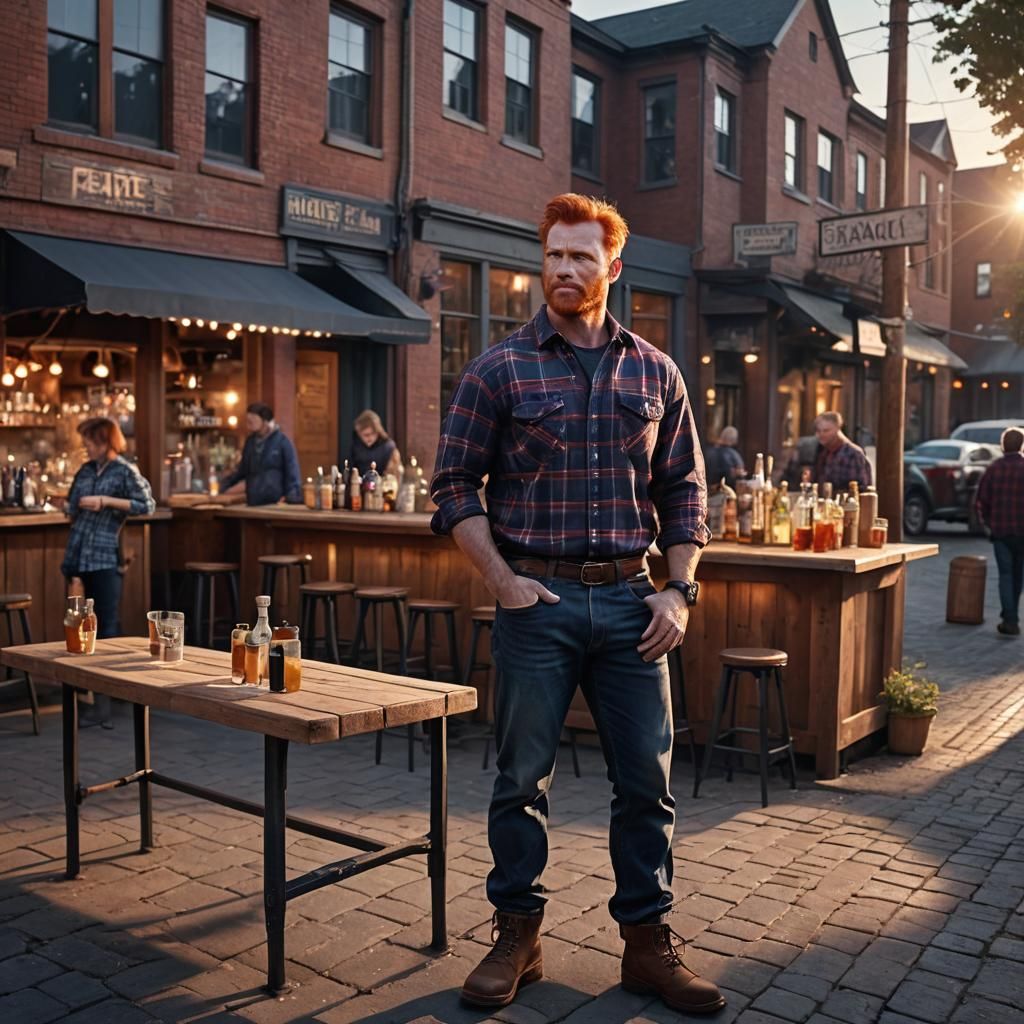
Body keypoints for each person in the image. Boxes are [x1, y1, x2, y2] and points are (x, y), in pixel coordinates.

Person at [431, 193, 724, 1016]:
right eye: (554, 255)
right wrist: (503, 583)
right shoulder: (498, 368)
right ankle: (517, 938)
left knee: (648, 785)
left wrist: (678, 590)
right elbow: (453, 486)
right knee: (519, 778)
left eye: (581, 257)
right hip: (537, 602)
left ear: (612, 269)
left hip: (636, 603)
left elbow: (686, 493)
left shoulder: (656, 372)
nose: (564, 269)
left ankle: (646, 946)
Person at [63, 417, 155, 728]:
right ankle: (85, 697)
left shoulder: (124, 470)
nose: (85, 445)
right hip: (78, 556)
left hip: (105, 556)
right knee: (77, 627)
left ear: (105, 440)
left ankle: (105, 703)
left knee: (107, 627)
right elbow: (71, 506)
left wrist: (106, 501)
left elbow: (147, 505)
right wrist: (66, 504)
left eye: (89, 439)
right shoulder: (86, 470)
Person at [975, 426, 1024, 636]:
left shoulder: (994, 468)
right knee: (1017, 575)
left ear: (1003, 445)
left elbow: (981, 500)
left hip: (1001, 531)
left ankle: (1010, 619)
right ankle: (1010, 616)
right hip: (1022, 532)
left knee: (1005, 574)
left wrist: (988, 523)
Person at [219, 403, 302, 505]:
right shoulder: (250, 442)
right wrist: (224, 487)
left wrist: (291, 497)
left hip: (276, 500)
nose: (249, 423)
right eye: (248, 420)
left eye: (253, 420)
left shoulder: (282, 442)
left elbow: (292, 472)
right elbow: (242, 470)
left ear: (265, 421)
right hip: (253, 499)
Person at [813, 411, 872, 491]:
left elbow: (862, 489)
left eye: (826, 431)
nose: (821, 434)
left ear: (838, 428)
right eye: (818, 431)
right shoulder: (823, 452)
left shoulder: (853, 453)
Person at [349, 409, 403, 478]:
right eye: (366, 435)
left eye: (373, 433)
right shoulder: (356, 447)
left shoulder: (389, 447)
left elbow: (393, 476)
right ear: (359, 434)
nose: (370, 437)